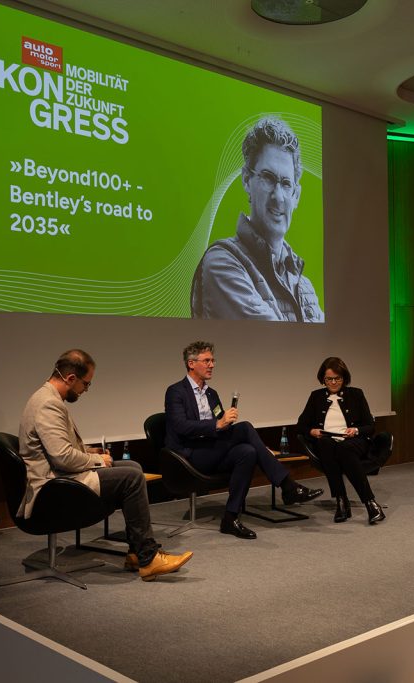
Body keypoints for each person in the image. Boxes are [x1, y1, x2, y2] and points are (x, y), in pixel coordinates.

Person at [19, 349, 192, 581]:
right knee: (131, 478)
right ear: (71, 378)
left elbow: (57, 449)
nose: (85, 390)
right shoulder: (48, 404)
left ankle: (136, 553)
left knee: (133, 467)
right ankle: (148, 557)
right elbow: (62, 458)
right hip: (54, 487)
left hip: (60, 476)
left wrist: (89, 452)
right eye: (86, 384)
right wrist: (99, 460)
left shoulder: (48, 398)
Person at [164, 341, 324, 539]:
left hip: (212, 449)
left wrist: (226, 423)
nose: (212, 365)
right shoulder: (176, 391)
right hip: (189, 456)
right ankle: (288, 486)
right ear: (191, 363)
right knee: (246, 427)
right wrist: (218, 424)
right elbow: (180, 426)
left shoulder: (211, 394)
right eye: (206, 361)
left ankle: (230, 518)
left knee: (248, 452)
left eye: (213, 360)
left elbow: (222, 426)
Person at [190, 116, 323, 322]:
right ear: (246, 180)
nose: (278, 197)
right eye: (268, 178)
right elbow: (273, 339)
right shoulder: (221, 263)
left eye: (286, 183)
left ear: (296, 196)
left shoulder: (305, 287)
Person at [296, 357, 388, 525]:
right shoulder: (316, 397)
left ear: (344, 378)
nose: (333, 382)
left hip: (354, 441)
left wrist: (356, 430)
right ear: (323, 379)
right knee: (325, 444)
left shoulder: (356, 394)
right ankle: (341, 499)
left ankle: (370, 502)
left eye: (337, 378)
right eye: (329, 379)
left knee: (344, 449)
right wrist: (312, 431)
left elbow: (370, 426)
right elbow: (301, 425)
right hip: (327, 441)